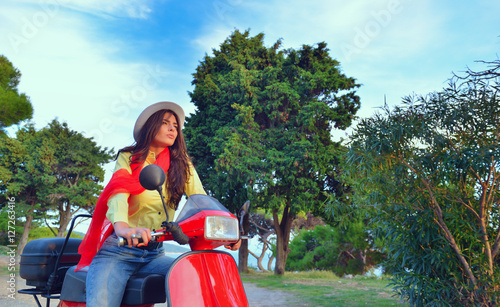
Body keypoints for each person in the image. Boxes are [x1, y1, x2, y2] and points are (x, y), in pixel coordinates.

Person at [75, 101, 240, 307]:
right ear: (151, 126)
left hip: (155, 253)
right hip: (120, 251)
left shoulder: (182, 164)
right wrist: (122, 227)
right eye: (165, 123)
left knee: (198, 275)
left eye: (176, 125)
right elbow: (119, 191)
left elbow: (200, 200)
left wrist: (224, 232)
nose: (173, 128)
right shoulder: (130, 157)